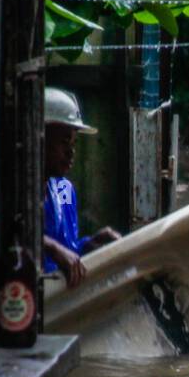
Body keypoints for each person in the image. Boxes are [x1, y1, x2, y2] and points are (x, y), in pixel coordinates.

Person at [43, 87, 121, 287]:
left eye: (74, 143)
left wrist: (90, 244)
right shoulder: (14, 192)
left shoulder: (64, 191)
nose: (71, 153)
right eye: (63, 142)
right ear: (41, 139)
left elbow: (68, 251)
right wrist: (51, 247)